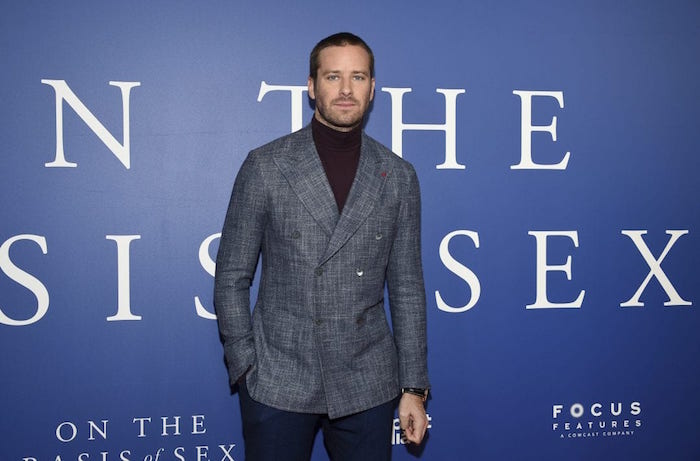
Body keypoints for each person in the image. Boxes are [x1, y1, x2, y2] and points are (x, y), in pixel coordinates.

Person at [214, 32, 429, 461]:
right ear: (312, 86)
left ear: (372, 88)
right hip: (278, 378)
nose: (346, 89)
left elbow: (407, 288)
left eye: (358, 77)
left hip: (367, 381)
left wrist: (413, 386)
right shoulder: (267, 166)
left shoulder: (398, 176)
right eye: (333, 76)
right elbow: (231, 276)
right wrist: (245, 364)